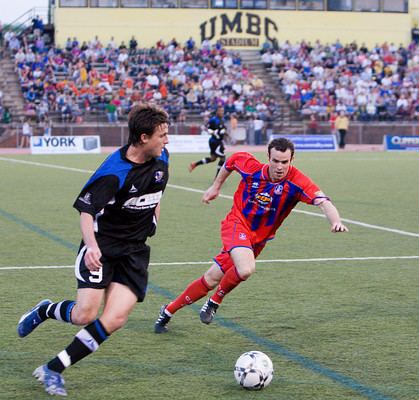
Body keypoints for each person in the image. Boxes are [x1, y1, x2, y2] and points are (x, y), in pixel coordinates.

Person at [17, 103, 170, 397]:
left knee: (115, 318)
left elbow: (156, 193)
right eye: (161, 135)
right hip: (102, 247)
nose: (166, 140)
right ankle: (46, 309)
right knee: (85, 314)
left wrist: (153, 221)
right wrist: (90, 247)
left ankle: (53, 368)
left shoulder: (162, 156)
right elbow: (86, 211)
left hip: (134, 251)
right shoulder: (114, 173)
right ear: (142, 138)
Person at [155, 137, 348, 333]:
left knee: (211, 278)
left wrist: (336, 221)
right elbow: (230, 162)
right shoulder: (251, 166)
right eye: (275, 161)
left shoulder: (298, 182)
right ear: (268, 157)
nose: (280, 166)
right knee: (246, 269)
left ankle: (168, 311)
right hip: (236, 224)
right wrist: (216, 187)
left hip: (257, 240)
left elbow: (324, 201)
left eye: (285, 162)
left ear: (292, 160)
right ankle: (214, 302)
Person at [188, 106, 227, 177]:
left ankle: (195, 164)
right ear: (217, 112)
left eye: (222, 111)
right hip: (215, 142)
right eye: (220, 111)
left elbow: (223, 130)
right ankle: (217, 177)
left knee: (213, 159)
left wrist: (226, 134)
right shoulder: (213, 120)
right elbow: (206, 128)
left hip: (218, 141)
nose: (222, 112)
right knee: (223, 158)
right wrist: (213, 132)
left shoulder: (222, 119)